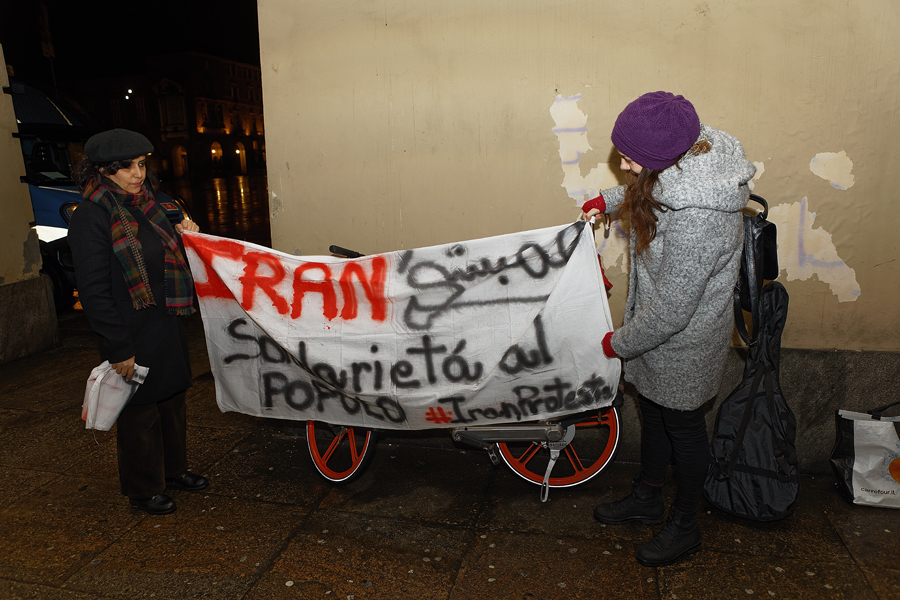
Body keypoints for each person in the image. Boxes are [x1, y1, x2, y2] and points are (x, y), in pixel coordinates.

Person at [581, 92, 755, 566]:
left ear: (662, 156)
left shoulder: (700, 217)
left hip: (684, 341)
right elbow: (652, 186)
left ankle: (685, 524)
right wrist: (607, 200)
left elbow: (673, 312)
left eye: (630, 157)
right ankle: (648, 497)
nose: (623, 163)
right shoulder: (684, 153)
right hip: (656, 328)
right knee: (654, 414)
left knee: (683, 428)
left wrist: (617, 344)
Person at [69, 128, 208, 515]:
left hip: (165, 321)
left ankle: (174, 470)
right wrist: (118, 347)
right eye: (126, 167)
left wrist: (188, 236)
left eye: (142, 164)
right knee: (140, 411)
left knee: (172, 400)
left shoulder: (153, 204)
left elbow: (169, 258)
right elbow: (94, 291)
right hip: (129, 327)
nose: (138, 174)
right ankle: (143, 487)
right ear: (103, 170)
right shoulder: (92, 216)